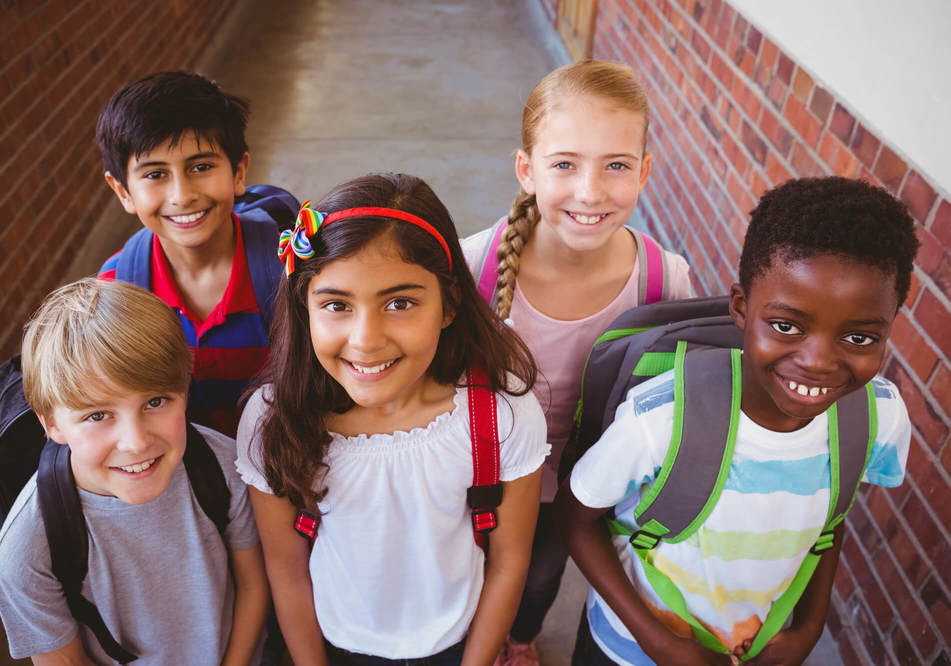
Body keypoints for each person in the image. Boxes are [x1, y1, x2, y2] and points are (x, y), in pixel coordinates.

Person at [554, 177, 919, 665]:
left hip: (759, 647)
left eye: (858, 338)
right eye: (787, 326)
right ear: (742, 307)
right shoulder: (663, 419)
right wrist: (657, 642)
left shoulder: (877, 418)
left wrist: (808, 628)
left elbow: (828, 518)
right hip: (627, 649)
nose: (817, 362)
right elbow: (576, 521)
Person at [236, 172, 549, 665]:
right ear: (305, 307)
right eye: (336, 305)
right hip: (334, 643)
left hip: (460, 644)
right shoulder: (275, 419)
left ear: (448, 305)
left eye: (400, 303)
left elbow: (509, 563)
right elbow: (287, 570)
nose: (365, 339)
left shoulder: (501, 414)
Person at [461, 60, 693, 664]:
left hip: (578, 485)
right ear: (527, 169)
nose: (591, 191)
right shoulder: (472, 267)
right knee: (468, 572)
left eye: (616, 165)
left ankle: (520, 636)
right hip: (475, 473)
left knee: (539, 578)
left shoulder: (663, 280)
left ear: (644, 172)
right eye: (564, 164)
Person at [0, 278, 268, 665]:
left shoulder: (223, 467)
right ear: (51, 424)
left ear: (184, 391)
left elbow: (253, 585)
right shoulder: (27, 551)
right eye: (98, 415)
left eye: (155, 401)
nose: (135, 442)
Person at [96, 71, 286, 437]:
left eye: (201, 167)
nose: (182, 195)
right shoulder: (117, 291)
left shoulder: (292, 265)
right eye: (155, 174)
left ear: (238, 171)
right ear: (122, 191)